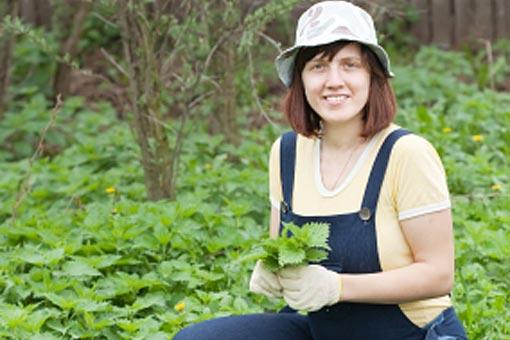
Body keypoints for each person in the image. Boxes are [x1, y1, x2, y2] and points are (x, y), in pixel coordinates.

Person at [175, 1, 467, 339]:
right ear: (300, 78)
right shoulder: (287, 153)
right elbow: (284, 250)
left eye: (350, 65)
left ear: (372, 77)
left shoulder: (406, 153)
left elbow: (438, 275)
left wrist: (338, 286)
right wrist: (274, 270)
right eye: (319, 66)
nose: (334, 81)